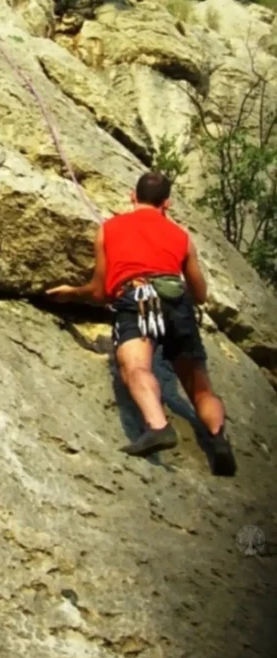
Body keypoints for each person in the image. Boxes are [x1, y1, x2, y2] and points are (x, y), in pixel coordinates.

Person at [46, 171, 237, 476]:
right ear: (168, 203)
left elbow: (100, 291)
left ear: (132, 197)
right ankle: (218, 439)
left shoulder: (109, 229)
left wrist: (72, 293)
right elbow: (200, 295)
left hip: (137, 299)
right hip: (178, 304)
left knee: (136, 368)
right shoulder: (182, 237)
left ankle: (158, 426)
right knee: (200, 386)